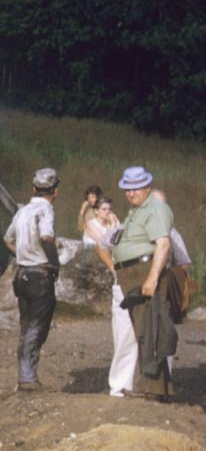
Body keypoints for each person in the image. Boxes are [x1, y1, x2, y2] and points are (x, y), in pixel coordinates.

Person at [111, 165, 178, 401]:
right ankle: (153, 387)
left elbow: (163, 244)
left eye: (136, 188)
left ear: (147, 186)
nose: (131, 193)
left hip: (144, 271)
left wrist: (151, 278)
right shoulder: (136, 210)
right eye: (127, 189)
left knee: (150, 330)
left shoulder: (155, 208)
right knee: (142, 330)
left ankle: (152, 389)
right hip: (133, 272)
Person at [3, 167, 60, 391]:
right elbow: (47, 237)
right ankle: (28, 377)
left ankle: (25, 374)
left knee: (26, 325)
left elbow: (7, 240)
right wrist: (54, 263)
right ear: (55, 191)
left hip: (22, 274)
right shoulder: (46, 211)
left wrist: (23, 255)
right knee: (38, 327)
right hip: (39, 275)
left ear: (34, 188)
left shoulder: (22, 211)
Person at [84, 195, 136, 397]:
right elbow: (102, 244)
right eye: (104, 208)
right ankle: (120, 384)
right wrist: (113, 268)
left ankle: (140, 382)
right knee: (124, 332)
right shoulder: (119, 229)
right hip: (123, 280)